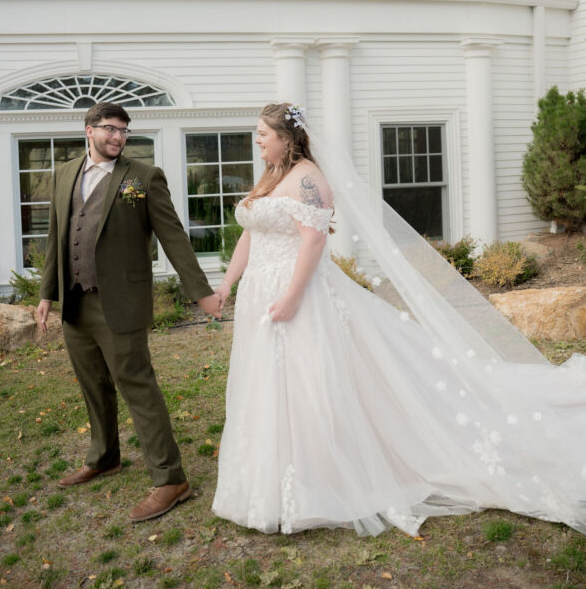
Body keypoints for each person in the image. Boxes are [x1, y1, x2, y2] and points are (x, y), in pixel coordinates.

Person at [212, 102, 586, 537]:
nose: (256, 140)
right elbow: (251, 236)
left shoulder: (309, 178)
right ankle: (274, 475)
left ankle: (321, 476)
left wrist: (292, 298)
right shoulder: (271, 176)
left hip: (300, 294)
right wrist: (226, 285)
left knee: (312, 378)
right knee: (270, 382)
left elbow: (313, 244)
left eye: (262, 133)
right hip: (262, 292)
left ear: (286, 138)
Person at [36, 102, 222, 522]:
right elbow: (56, 236)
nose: (118, 137)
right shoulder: (65, 172)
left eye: (124, 130)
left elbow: (172, 236)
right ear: (88, 130)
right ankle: (104, 456)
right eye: (110, 129)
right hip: (75, 301)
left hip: (120, 302)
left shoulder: (143, 178)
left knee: (138, 387)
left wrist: (200, 293)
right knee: (93, 384)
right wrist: (47, 293)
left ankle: (171, 478)